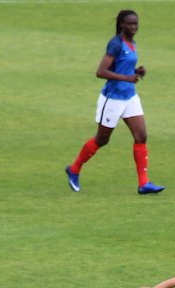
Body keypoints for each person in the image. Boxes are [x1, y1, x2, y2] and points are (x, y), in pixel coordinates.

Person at [65, 10, 165, 195]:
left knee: (141, 136)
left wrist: (136, 71)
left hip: (130, 97)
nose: (134, 27)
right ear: (121, 25)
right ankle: (74, 169)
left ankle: (144, 183)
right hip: (113, 99)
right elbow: (101, 71)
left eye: (136, 23)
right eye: (130, 24)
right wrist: (127, 78)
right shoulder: (116, 44)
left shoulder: (131, 43)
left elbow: (119, 67)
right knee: (102, 140)